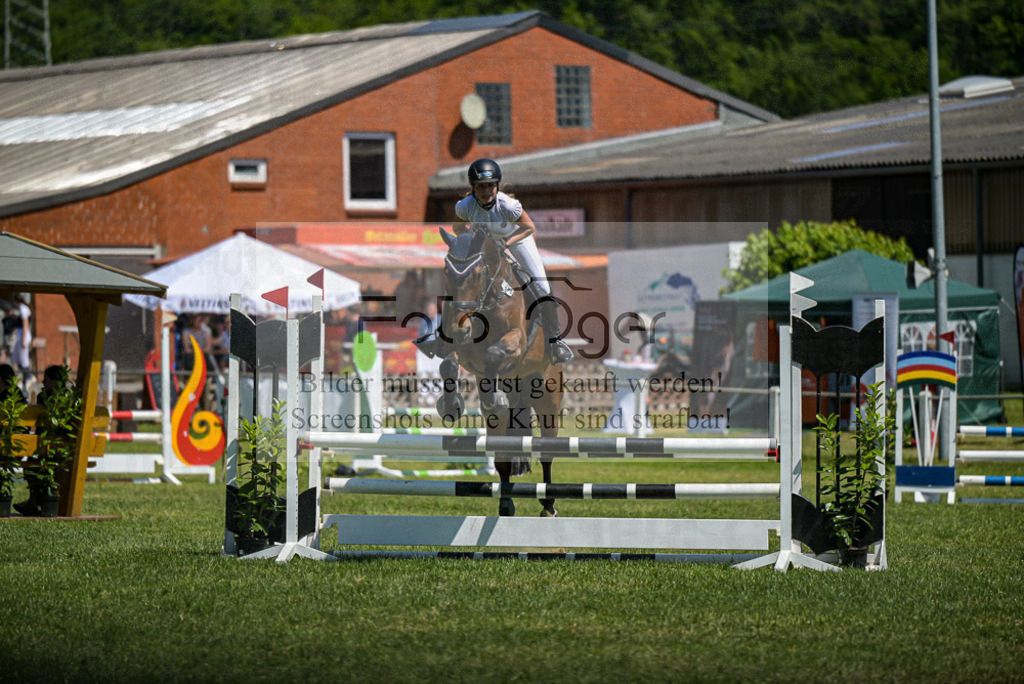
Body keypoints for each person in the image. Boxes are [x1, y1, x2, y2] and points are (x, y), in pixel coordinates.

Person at [427, 158, 573, 365]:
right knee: (462, 282)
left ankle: (556, 340)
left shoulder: (508, 205)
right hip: (486, 246)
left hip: (516, 241)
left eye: (490, 186)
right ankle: (442, 338)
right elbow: (458, 229)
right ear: (473, 188)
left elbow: (529, 228)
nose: (486, 191)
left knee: (541, 284)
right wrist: (473, 241)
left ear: (497, 185)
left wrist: (505, 243)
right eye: (481, 187)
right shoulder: (464, 207)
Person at [12, 294, 32, 385]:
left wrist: (24, 340)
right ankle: (21, 376)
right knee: (15, 357)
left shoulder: (23, 309)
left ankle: (28, 376)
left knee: (23, 358)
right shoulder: (22, 309)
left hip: (23, 337)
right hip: (20, 336)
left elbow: (25, 325)